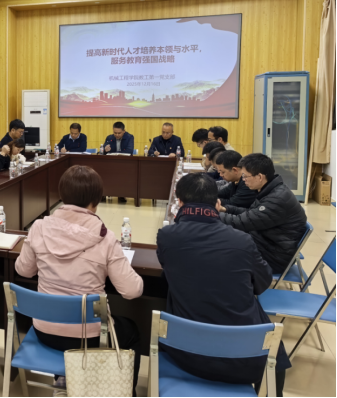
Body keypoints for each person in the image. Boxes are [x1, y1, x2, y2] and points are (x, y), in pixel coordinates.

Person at [157, 173, 291, 396]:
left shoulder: (166, 236)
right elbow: (262, 283)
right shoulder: (242, 241)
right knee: (275, 356)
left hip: (183, 353)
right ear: (217, 203)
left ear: (179, 202)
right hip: (246, 360)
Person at [15, 165, 143, 394]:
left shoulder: (39, 228)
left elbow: (23, 270)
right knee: (132, 331)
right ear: (96, 200)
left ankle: (64, 378)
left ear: (62, 195)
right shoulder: (106, 238)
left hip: (45, 330)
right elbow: (132, 291)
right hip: (90, 337)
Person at [217, 154, 307, 274]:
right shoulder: (269, 190)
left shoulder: (277, 199)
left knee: (219, 249)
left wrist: (211, 214)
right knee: (222, 240)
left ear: (259, 177)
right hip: (265, 242)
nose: (243, 179)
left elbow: (243, 222)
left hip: (273, 257)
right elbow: (250, 214)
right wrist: (224, 209)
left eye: (245, 176)